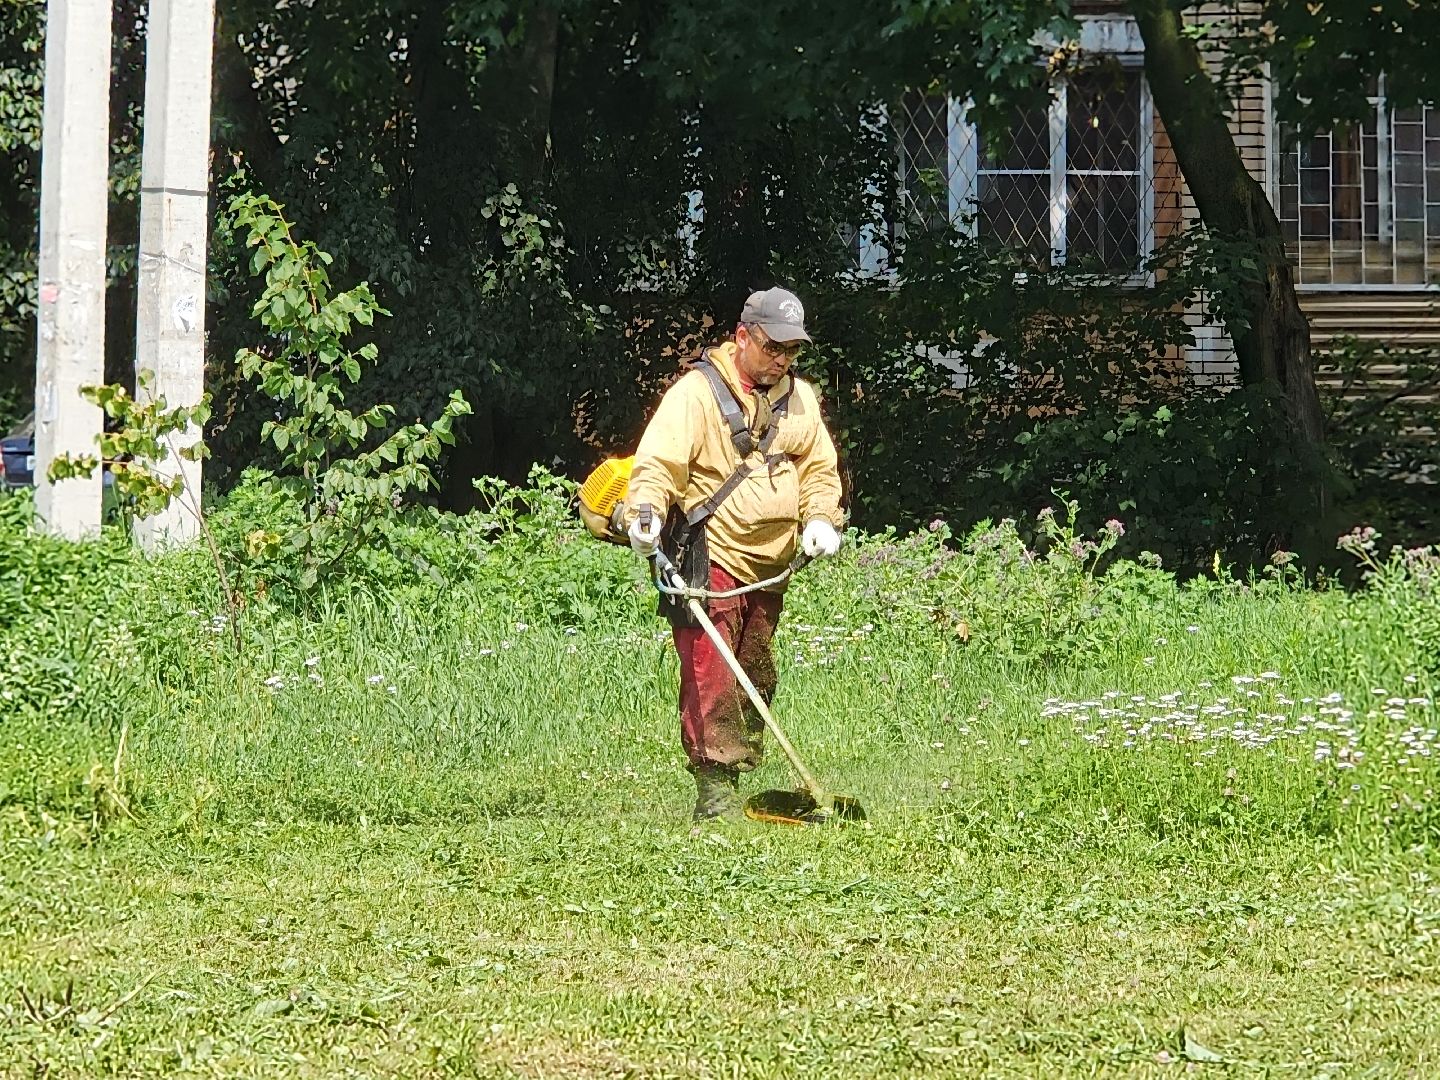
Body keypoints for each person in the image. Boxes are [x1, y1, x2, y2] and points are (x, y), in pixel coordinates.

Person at [623, 287, 845, 821]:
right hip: (711, 558)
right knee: (713, 675)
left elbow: (818, 467)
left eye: (792, 350)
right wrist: (647, 512)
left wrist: (820, 516)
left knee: (755, 673)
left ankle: (738, 776)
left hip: (773, 564)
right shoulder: (696, 395)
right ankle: (715, 800)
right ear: (743, 336)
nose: (782, 359)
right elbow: (656, 465)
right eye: (773, 347)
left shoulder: (801, 399)